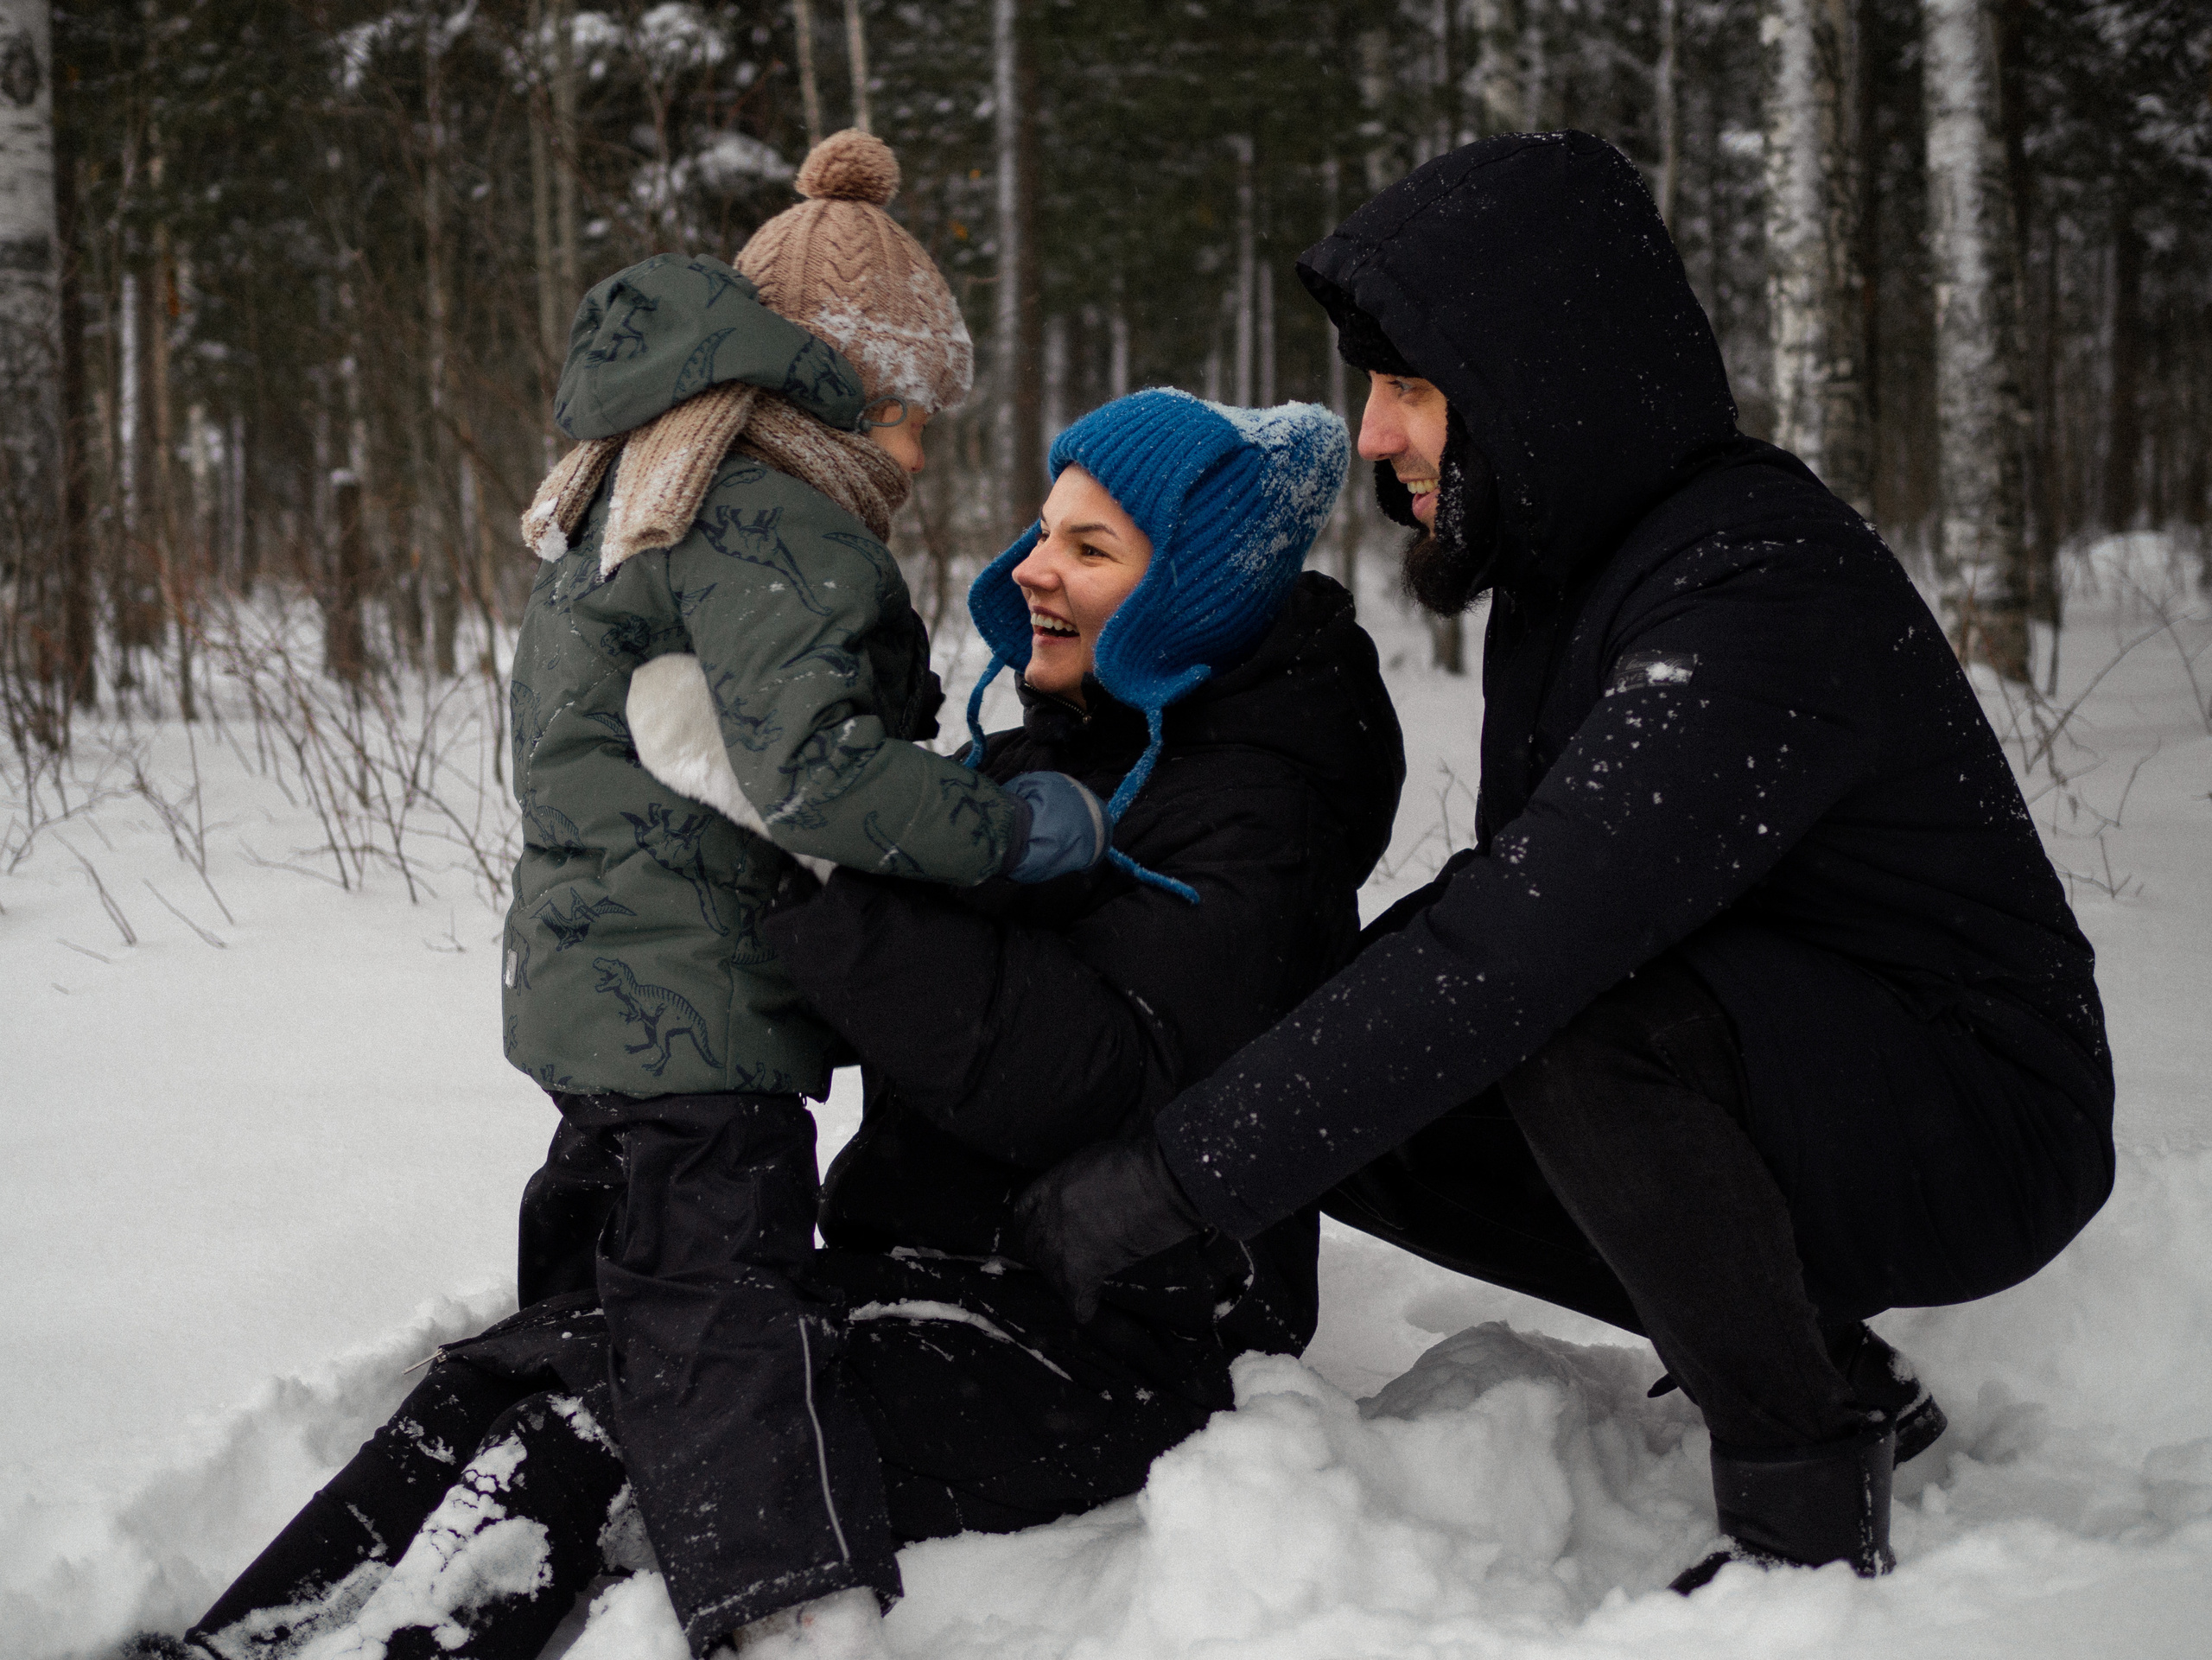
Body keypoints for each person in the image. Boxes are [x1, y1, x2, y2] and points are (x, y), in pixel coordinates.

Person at [1014, 131, 2116, 1593]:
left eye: (1411, 387)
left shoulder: (1752, 583)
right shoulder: (1571, 571)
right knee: (1365, 1061)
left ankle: (1804, 1487)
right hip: (1805, 1057)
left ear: (1536, 375)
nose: (1374, 433)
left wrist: (1164, 1177)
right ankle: (1813, 1346)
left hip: (1981, 1109)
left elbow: (1526, 945)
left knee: (1563, 1020)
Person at [163, 389, 1402, 1660]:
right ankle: (242, 1642)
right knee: (530, 1361)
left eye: (1091, 549)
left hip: (1112, 1342)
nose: (1032, 566)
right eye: (1045, 529)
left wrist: (821, 889)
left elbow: (1102, 1076)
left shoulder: (1259, 812)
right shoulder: (1052, 758)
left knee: (617, 1419)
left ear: (1191, 590)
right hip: (925, 1274)